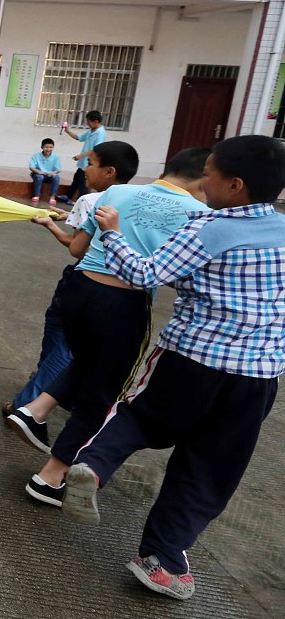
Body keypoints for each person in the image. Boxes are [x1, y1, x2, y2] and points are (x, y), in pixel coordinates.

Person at [61, 136, 285, 601]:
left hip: (192, 358)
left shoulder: (209, 228)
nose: (203, 182)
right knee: (209, 467)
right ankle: (163, 561)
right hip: (258, 375)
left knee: (140, 416)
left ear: (236, 185)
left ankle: (93, 465)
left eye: (210, 173)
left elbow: (145, 274)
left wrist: (115, 233)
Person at [10, 147, 209, 510]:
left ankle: (36, 409)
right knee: (103, 395)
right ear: (203, 178)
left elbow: (78, 249)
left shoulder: (117, 193)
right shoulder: (201, 215)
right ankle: (50, 479)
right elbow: (180, 275)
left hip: (79, 289)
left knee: (87, 361)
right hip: (123, 303)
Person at [2, 140, 135, 421]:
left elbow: (75, 246)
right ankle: (51, 388)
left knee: (61, 343)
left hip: (83, 280)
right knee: (70, 345)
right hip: (122, 289)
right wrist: (65, 215)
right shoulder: (134, 202)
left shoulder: (92, 200)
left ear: (109, 171)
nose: (85, 168)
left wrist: (49, 224)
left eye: (92, 163)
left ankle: (27, 405)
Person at [60, 110, 107, 202]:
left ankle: (81, 201)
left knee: (83, 183)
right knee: (77, 178)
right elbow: (79, 138)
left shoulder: (100, 133)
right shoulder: (91, 131)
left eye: (89, 122)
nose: (88, 124)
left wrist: (81, 156)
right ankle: (69, 196)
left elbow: (96, 149)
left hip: (89, 162)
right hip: (83, 162)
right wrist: (67, 131)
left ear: (96, 122)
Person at [29, 137, 62, 202]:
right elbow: (31, 167)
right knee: (39, 177)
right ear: (42, 147)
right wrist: (39, 172)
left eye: (50, 147)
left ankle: (52, 197)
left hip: (50, 175)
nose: (48, 149)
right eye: (46, 147)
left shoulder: (56, 157)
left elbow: (58, 169)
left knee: (56, 177)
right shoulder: (36, 156)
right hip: (38, 174)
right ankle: (36, 196)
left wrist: (52, 173)